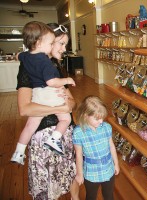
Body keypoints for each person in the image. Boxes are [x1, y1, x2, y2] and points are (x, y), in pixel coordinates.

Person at [15, 23, 79, 200]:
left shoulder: (54, 68)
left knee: (71, 173)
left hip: (65, 133)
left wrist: (68, 103)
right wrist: (60, 108)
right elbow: (24, 109)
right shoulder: (28, 68)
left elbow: (72, 101)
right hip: (43, 136)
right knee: (47, 185)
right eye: (61, 43)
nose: (64, 49)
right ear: (46, 43)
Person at [73, 95, 120, 200]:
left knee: (109, 195)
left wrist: (116, 164)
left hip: (108, 169)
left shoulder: (106, 127)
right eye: (97, 118)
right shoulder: (78, 133)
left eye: (102, 118)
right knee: (91, 196)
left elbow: (111, 146)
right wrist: (79, 174)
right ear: (86, 116)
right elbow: (79, 155)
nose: (101, 121)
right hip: (91, 173)